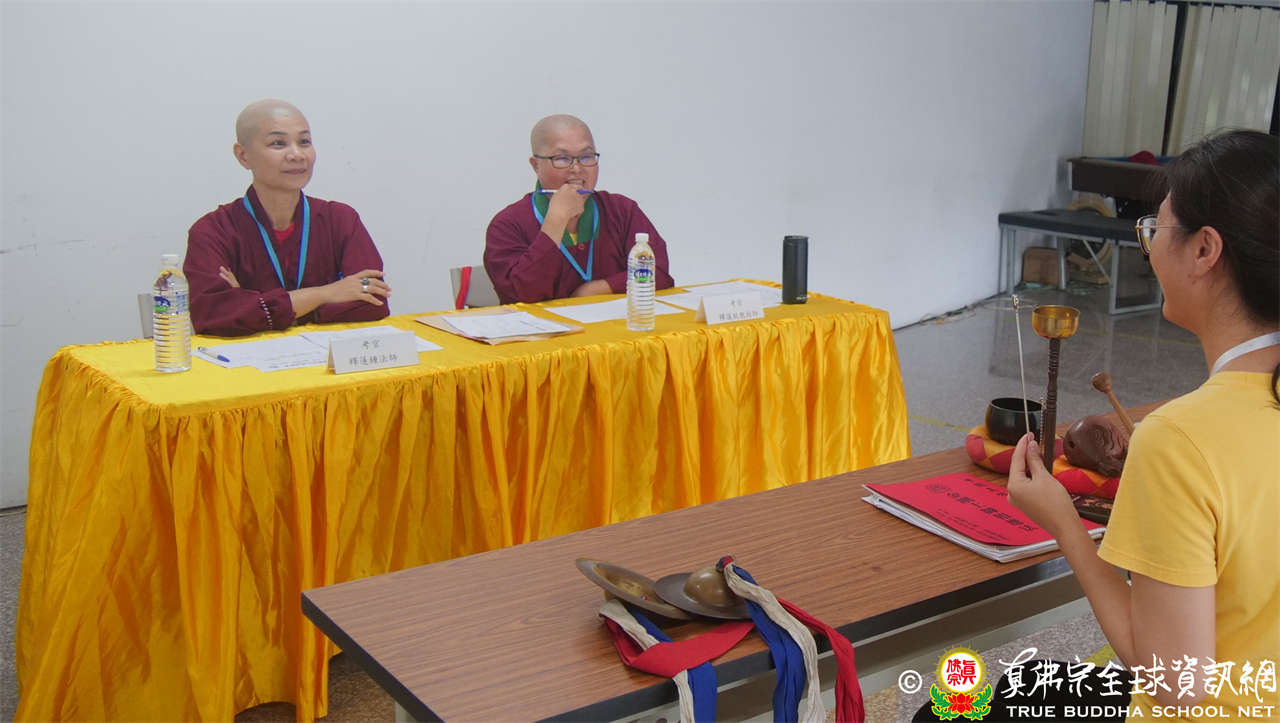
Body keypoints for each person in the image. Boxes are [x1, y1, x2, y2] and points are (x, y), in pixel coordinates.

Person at [1006, 129, 1279, 719]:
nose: (1149, 248)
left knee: (957, 706)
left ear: (1204, 250)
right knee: (1023, 685)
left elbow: (1175, 683)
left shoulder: (1181, 441)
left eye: (1155, 229)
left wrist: (1063, 522)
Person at [185, 99, 390, 336]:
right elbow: (213, 317)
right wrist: (326, 293)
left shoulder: (341, 220)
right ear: (243, 156)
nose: (296, 155)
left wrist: (256, 306)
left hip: (329, 357)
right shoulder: (213, 232)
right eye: (278, 143)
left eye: (304, 142)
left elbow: (373, 300)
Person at [484, 114, 674, 304]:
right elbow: (520, 296)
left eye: (586, 157)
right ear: (536, 165)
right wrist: (556, 222)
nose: (576, 168)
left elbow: (659, 273)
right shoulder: (507, 225)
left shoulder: (621, 211)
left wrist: (598, 289)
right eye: (562, 158)